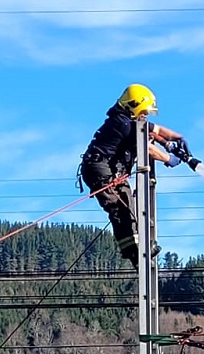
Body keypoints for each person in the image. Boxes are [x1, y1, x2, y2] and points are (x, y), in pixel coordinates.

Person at [79, 84, 193, 266]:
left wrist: (177, 138)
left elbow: (156, 130)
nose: (146, 115)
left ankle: (141, 247)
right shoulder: (124, 125)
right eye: (144, 111)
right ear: (134, 106)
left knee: (130, 207)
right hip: (102, 172)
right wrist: (168, 158)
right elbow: (146, 147)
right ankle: (136, 254)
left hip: (112, 171)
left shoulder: (129, 121)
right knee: (121, 209)